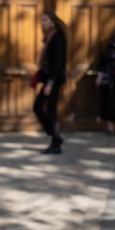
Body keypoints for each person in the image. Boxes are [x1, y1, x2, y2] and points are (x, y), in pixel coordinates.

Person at [33, 11, 67, 154]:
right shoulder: (49, 37)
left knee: (49, 110)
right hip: (50, 78)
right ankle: (55, 137)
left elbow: (57, 62)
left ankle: (56, 142)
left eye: (45, 20)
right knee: (38, 107)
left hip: (54, 79)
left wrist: (50, 83)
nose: (42, 23)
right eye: (42, 20)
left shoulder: (57, 37)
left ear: (52, 21)